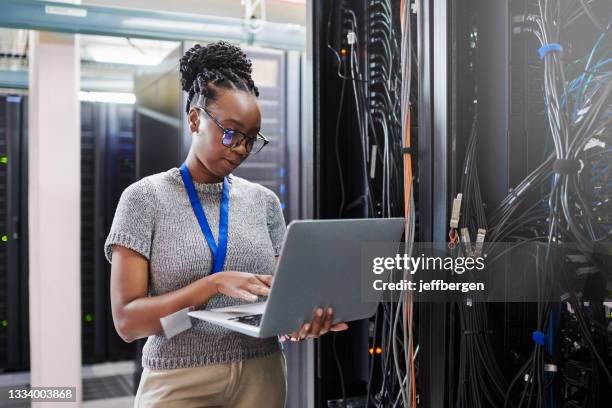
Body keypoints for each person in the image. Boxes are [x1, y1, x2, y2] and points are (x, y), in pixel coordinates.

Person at [104, 41, 348, 408]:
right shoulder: (144, 198)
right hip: (178, 379)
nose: (240, 149)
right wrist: (213, 284)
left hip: (261, 374)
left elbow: (282, 300)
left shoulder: (263, 202)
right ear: (194, 119)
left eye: (251, 139)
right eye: (231, 132)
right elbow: (127, 322)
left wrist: (302, 321)